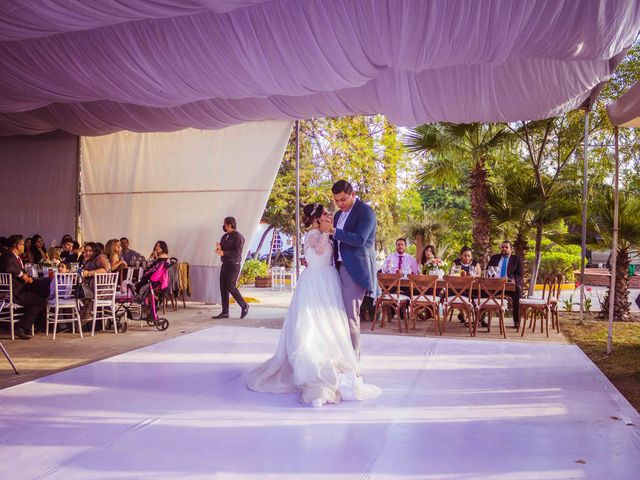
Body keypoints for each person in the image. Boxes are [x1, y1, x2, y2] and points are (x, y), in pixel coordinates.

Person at [247, 203, 381, 406]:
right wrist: (327, 233)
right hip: (316, 282)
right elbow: (318, 252)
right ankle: (313, 372)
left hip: (329, 280)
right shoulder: (312, 234)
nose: (329, 215)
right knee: (311, 325)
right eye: (325, 214)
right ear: (317, 219)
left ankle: (341, 363)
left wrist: (329, 232)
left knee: (332, 323)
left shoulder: (324, 231)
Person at [327, 180, 377, 358]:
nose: (340, 204)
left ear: (353, 194)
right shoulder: (339, 215)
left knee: (350, 317)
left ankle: (353, 359)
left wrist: (334, 231)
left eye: (343, 199)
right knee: (338, 316)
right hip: (337, 268)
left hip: (355, 269)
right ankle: (342, 355)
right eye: (336, 200)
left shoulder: (366, 211)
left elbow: (360, 239)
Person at [0, 235, 47, 339]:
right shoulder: (7, 255)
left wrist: (28, 277)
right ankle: (22, 327)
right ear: (17, 246)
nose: (23, 246)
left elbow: (20, 270)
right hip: (15, 292)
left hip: (19, 289)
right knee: (40, 301)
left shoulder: (14, 257)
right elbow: (9, 268)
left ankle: (31, 326)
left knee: (40, 291)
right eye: (22, 244)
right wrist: (22, 275)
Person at [212, 217, 249, 319]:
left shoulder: (238, 237)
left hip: (233, 265)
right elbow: (222, 250)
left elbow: (237, 252)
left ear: (229, 225)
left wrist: (223, 252)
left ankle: (244, 305)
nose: (223, 226)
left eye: (225, 224)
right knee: (223, 288)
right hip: (225, 264)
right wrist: (219, 248)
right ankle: (225, 312)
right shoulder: (224, 237)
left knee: (230, 286)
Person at [487, 240, 524, 329]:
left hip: (509, 286)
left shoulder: (516, 259)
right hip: (495, 285)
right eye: (502, 247)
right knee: (481, 291)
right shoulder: (494, 258)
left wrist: (513, 280)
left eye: (506, 247)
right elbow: (488, 270)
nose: (504, 249)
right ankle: (481, 320)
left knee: (518, 291)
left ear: (511, 249)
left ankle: (516, 321)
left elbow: (520, 275)